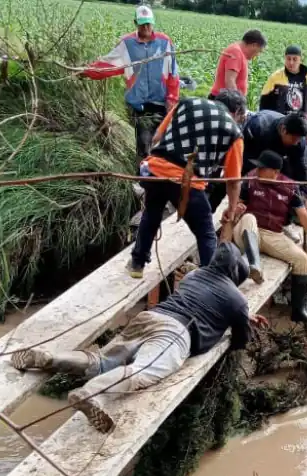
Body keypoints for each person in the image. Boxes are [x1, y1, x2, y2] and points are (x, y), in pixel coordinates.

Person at [11, 242, 266, 433]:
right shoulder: (237, 299)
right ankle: (93, 394)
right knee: (142, 371)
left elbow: (202, 299)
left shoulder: (193, 276)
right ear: (235, 274)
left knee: (101, 361)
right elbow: (241, 341)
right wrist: (239, 320)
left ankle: (48, 357)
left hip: (150, 318)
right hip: (174, 334)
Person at [129, 89, 247, 278]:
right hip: (187, 182)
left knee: (151, 214)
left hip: (156, 170)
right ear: (238, 112)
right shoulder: (234, 132)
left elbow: (157, 138)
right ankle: (211, 281)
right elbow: (233, 181)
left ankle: (137, 264)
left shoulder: (187, 103)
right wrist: (231, 210)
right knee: (206, 233)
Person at [229, 151, 307, 323]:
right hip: (247, 230)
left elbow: (303, 216)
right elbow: (237, 203)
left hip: (272, 234)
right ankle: (254, 265)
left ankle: (299, 310)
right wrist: (237, 209)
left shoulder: (290, 187)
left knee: (301, 259)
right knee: (249, 217)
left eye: (262, 168)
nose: (257, 170)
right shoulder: (250, 180)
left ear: (274, 172)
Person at [81, 5, 179, 167]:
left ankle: (159, 174)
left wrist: (172, 98)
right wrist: (87, 71)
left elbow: (173, 73)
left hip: (161, 101)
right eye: (142, 24)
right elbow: (109, 64)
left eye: (148, 24)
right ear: (135, 23)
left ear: (153, 23)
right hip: (139, 104)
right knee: (143, 141)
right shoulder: (127, 44)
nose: (146, 27)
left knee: (162, 143)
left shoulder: (164, 42)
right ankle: (142, 178)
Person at [210, 110, 307, 210]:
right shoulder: (259, 127)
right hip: (252, 150)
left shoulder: (298, 141)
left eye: (299, 140)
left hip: (278, 157)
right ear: (283, 130)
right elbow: (244, 160)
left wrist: (304, 194)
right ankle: (210, 208)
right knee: (233, 178)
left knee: (288, 183)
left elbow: (300, 168)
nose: (296, 143)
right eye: (293, 139)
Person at [259, 45, 307, 116]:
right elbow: (264, 102)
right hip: (280, 121)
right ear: (285, 59)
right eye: (288, 59)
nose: (291, 62)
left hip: (302, 121)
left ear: (300, 60)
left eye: (295, 59)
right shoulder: (275, 77)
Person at [210, 29, 267, 98]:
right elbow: (230, 81)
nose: (257, 55)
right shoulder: (236, 52)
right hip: (224, 100)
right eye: (259, 51)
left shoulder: (239, 52)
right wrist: (237, 103)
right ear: (254, 45)